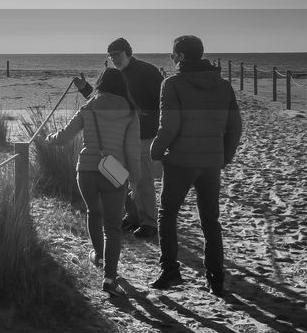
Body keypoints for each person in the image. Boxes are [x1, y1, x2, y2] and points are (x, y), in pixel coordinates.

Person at [149, 34, 243, 296]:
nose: (172, 60)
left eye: (172, 55)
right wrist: (225, 156)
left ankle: (170, 271)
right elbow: (235, 125)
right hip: (211, 162)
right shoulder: (223, 86)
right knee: (210, 220)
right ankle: (215, 278)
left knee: (167, 214)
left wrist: (155, 151)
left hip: (180, 160)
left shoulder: (172, 84)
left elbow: (169, 126)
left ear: (179, 56)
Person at [45, 68, 141, 297]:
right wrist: (135, 180)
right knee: (113, 226)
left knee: (93, 212)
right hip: (114, 173)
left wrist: (49, 139)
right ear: (122, 86)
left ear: (100, 84)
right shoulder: (129, 112)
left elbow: (65, 136)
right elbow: (132, 150)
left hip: (86, 170)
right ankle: (110, 277)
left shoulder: (89, 107)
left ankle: (98, 255)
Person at [71, 37, 165, 237]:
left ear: (128, 52)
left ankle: (149, 222)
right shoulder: (113, 75)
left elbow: (163, 103)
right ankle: (132, 217)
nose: (114, 59)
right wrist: (84, 88)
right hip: (117, 136)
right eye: (111, 56)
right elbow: (100, 100)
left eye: (117, 55)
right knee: (118, 176)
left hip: (144, 134)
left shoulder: (148, 72)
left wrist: (145, 116)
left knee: (142, 178)